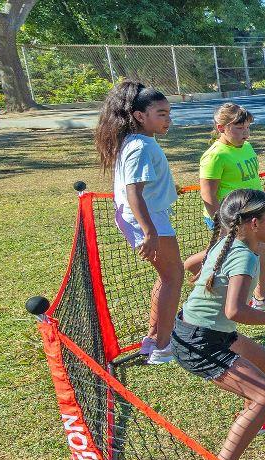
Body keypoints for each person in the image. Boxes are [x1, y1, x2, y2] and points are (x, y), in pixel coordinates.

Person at [173, 189, 265, 460]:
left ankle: (259, 421)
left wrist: (201, 281)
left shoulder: (228, 244)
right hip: (198, 341)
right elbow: (235, 311)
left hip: (206, 330)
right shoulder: (242, 256)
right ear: (255, 223)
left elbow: (190, 263)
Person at [96, 81, 183, 365]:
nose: (167, 119)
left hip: (147, 215)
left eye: (169, 113)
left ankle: (153, 338)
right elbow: (133, 192)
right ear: (138, 116)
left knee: (167, 276)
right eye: (160, 113)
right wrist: (150, 231)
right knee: (174, 276)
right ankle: (163, 347)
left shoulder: (139, 142)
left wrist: (169, 188)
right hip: (148, 219)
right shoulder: (140, 145)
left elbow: (143, 185)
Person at [196, 102, 265, 311]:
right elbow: (208, 195)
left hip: (251, 217)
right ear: (221, 128)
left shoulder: (246, 147)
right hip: (230, 219)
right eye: (239, 128)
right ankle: (218, 300)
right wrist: (221, 224)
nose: (246, 133)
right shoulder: (215, 155)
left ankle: (260, 299)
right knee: (230, 260)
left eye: (247, 127)